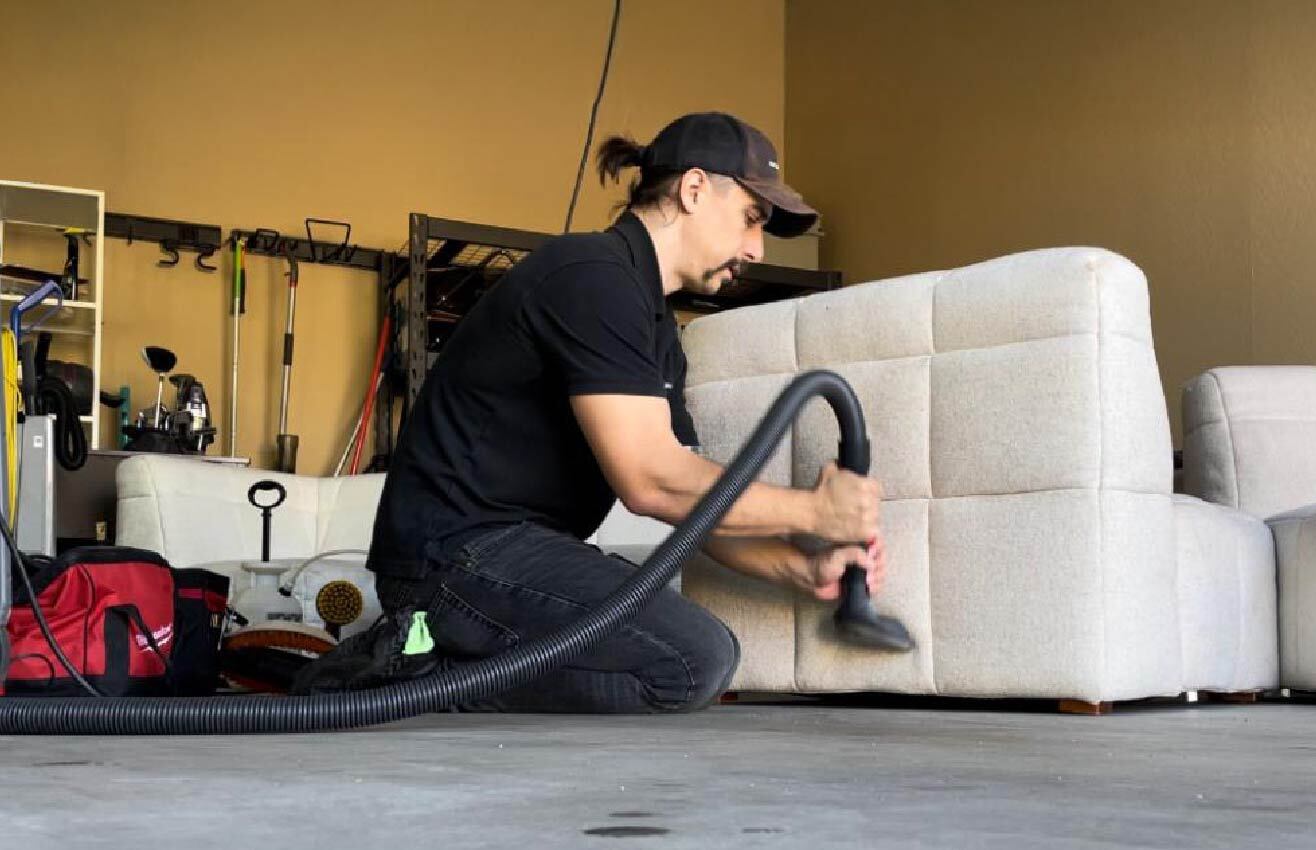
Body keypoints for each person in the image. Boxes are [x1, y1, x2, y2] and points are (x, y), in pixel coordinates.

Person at [298, 112, 886, 712]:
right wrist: (815, 511)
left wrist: (798, 566)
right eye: (750, 219)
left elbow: (690, 509)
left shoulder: (652, 325)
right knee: (690, 660)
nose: (755, 249)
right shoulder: (592, 277)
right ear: (693, 189)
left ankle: (433, 666)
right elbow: (651, 482)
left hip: (511, 554)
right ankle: (408, 674)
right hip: (454, 558)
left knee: (695, 659)